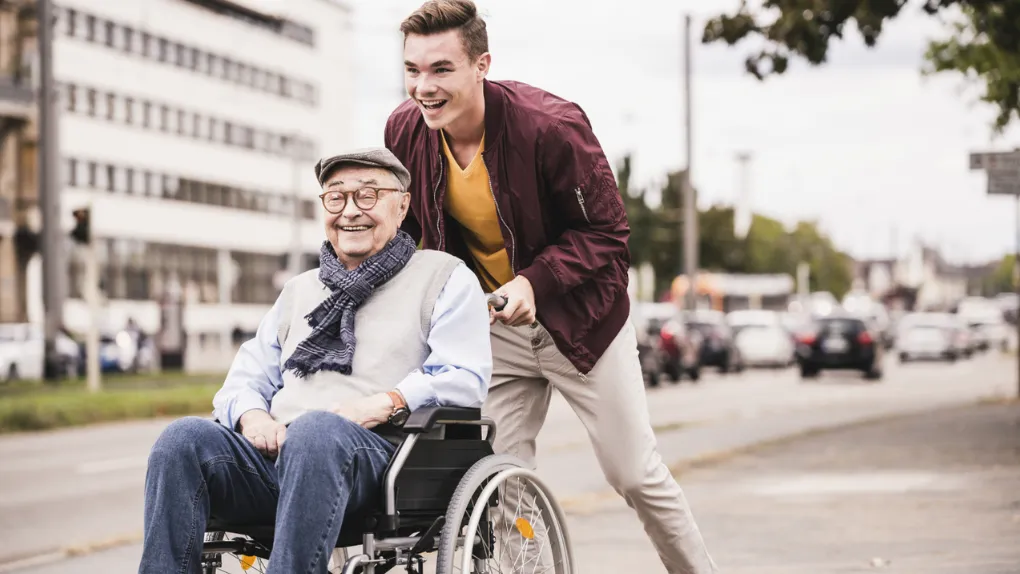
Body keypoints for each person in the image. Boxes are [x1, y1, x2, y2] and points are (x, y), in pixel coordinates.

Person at [384, 2, 718, 572]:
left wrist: (535, 283)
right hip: (496, 331)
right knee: (500, 480)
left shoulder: (552, 127)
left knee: (633, 473)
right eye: (413, 70)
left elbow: (608, 231)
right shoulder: (404, 131)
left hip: (581, 323)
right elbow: (409, 235)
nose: (423, 86)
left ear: (482, 64)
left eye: (441, 69)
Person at [138, 148, 492, 574]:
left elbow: (464, 376)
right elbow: (244, 379)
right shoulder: (300, 290)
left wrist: (384, 402)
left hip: (385, 461)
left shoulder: (444, 277)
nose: (349, 212)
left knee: (317, 431)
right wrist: (253, 418)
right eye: (336, 197)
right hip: (280, 456)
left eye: (367, 195)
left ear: (402, 206)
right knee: (181, 441)